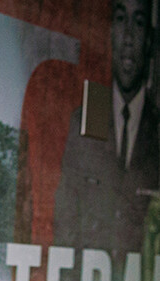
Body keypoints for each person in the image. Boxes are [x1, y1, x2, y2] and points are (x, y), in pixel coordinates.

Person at [54, 0, 158, 255]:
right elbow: (65, 225)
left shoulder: (156, 130)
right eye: (121, 19)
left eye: (139, 23)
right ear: (110, 32)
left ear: (149, 41)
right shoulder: (90, 115)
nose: (129, 37)